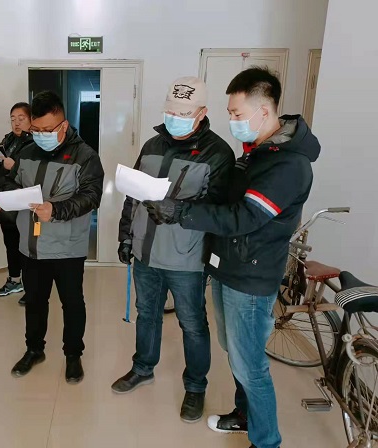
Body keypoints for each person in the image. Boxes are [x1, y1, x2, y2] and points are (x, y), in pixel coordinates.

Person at [143, 67, 320, 448]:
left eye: (237, 113)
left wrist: (181, 212)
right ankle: (244, 415)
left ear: (264, 111)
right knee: (234, 351)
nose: (233, 120)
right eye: (230, 113)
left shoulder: (288, 164)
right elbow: (225, 203)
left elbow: (244, 217)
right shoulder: (256, 153)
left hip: (251, 280)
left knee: (250, 365)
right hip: (228, 268)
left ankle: (266, 441)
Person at [112, 77, 235, 423]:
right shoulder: (152, 145)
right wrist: (126, 236)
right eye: (170, 111)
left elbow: (220, 210)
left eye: (183, 113)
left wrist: (179, 209)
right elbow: (133, 195)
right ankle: (142, 367)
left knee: (192, 323)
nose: (174, 119)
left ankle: (195, 386)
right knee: (146, 313)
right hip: (146, 251)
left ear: (202, 113)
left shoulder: (218, 153)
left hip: (187, 259)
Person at [6, 91, 104, 384]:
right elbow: (12, 183)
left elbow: (91, 196)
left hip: (67, 248)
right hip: (31, 245)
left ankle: (73, 355)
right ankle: (34, 350)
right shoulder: (27, 151)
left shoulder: (85, 156)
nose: (42, 135)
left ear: (64, 125)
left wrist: (57, 210)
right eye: (36, 130)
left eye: (48, 130)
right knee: (35, 302)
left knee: (72, 303)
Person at [0, 102, 33, 305]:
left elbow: (32, 176)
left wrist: (13, 167)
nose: (16, 123)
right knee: (10, 242)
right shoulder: (9, 139)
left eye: (21, 118)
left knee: (26, 246)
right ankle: (14, 280)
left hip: (24, 201)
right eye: (13, 119)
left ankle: (31, 287)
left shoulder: (35, 143)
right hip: (6, 198)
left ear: (31, 119)